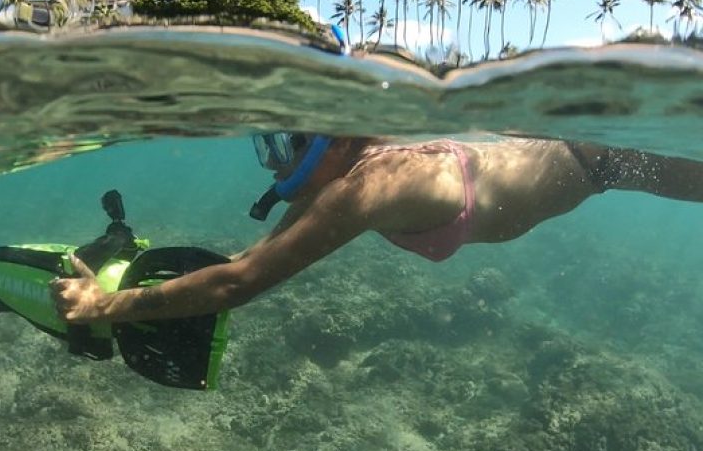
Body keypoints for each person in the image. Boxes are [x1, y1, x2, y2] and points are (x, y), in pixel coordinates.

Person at [50, 133, 703, 324]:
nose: (278, 162)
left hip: (589, 158)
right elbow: (249, 259)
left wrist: (108, 306)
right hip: (537, 162)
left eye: (292, 142)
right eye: (270, 145)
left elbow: (237, 284)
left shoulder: (370, 186)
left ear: (337, 140)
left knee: (642, 164)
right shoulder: (343, 178)